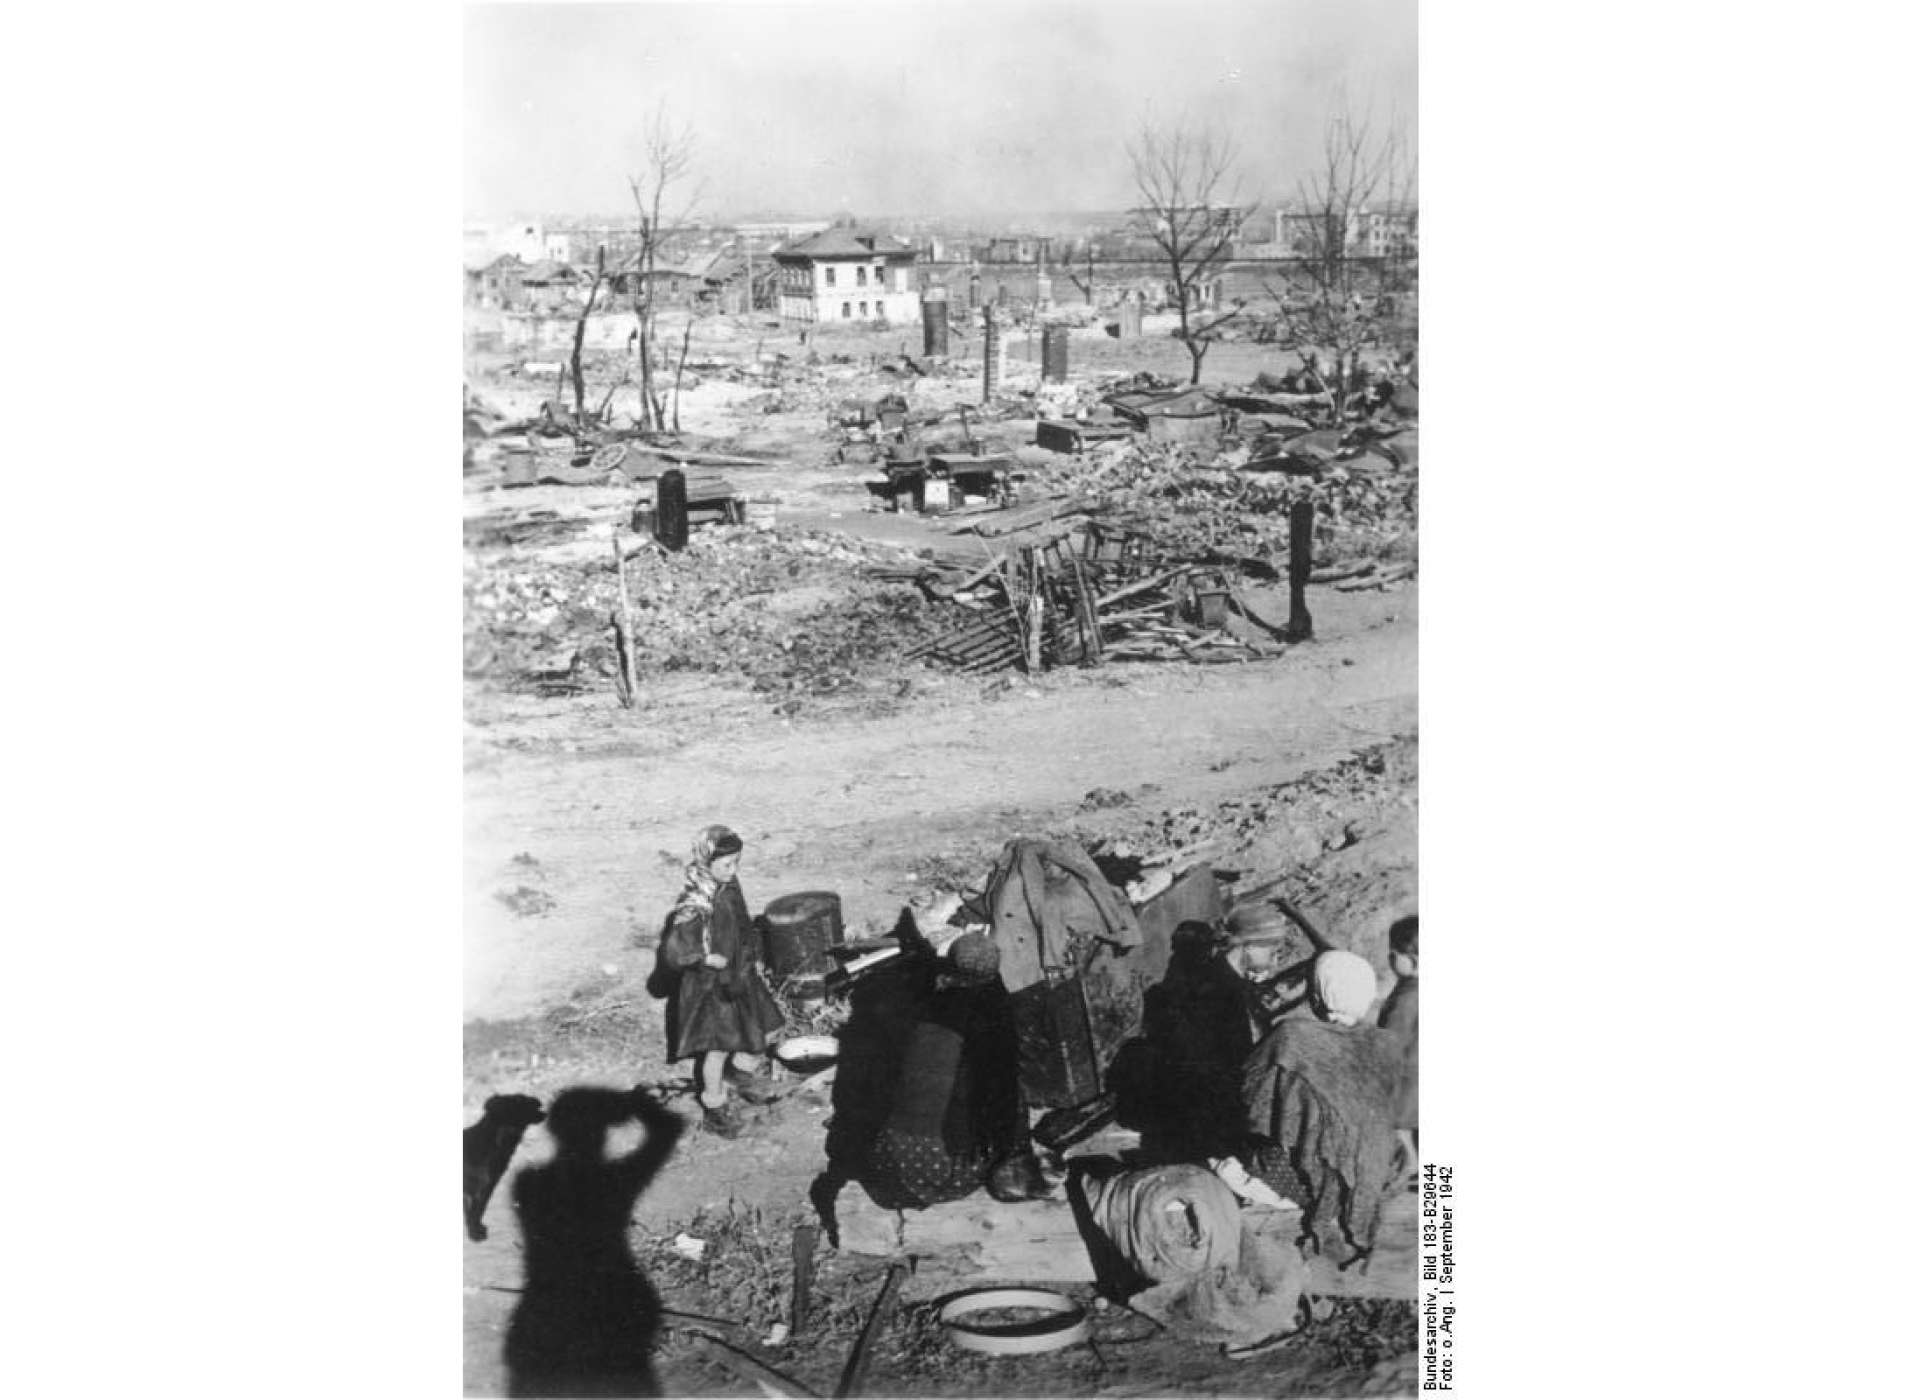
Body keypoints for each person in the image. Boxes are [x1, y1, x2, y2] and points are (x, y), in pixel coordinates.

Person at [660, 825, 785, 1136]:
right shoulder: (695, 902)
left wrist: (752, 946)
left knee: (768, 1027)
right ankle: (715, 1105)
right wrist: (703, 958)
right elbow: (675, 951)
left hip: (740, 974)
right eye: (727, 864)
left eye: (737, 863)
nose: (733, 870)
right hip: (712, 987)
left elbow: (740, 920)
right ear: (707, 862)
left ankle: (739, 1074)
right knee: (718, 1047)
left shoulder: (728, 885)